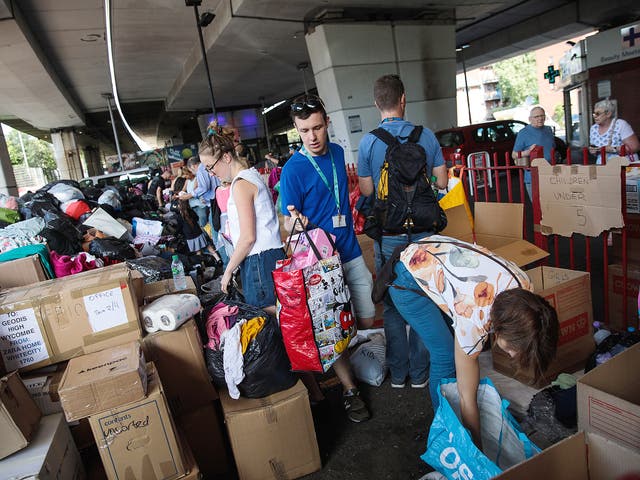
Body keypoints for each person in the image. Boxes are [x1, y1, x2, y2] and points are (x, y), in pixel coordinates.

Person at [380, 235, 559, 446]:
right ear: (499, 331)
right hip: (407, 279)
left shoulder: (524, 287)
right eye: (513, 351)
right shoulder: (474, 317)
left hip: (433, 253)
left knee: (457, 355)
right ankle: (446, 429)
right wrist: (475, 447)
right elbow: (468, 398)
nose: (512, 355)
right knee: (445, 355)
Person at [280, 93, 375, 423]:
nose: (312, 137)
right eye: (304, 130)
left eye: (317, 128)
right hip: (321, 266)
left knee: (365, 317)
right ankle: (350, 390)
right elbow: (285, 220)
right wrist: (296, 221)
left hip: (350, 251)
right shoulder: (292, 170)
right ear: (296, 129)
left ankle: (353, 359)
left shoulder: (336, 152)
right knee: (334, 332)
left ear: (327, 123)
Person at [358, 74, 448, 390]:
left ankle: (399, 374)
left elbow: (367, 190)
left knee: (393, 304)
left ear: (376, 103)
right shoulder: (427, 137)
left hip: (390, 235)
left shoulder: (369, 141)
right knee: (426, 301)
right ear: (403, 99)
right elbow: (441, 183)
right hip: (425, 235)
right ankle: (422, 373)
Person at [199, 122, 284, 314]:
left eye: (210, 167)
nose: (211, 173)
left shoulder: (241, 185)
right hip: (266, 257)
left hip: (259, 261)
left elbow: (248, 238)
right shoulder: (251, 175)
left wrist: (228, 271)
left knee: (269, 323)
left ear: (227, 157)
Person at [512, 106, 556, 200]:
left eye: (542, 116)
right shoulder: (523, 133)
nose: (540, 118)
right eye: (536, 117)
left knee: (552, 206)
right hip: (533, 177)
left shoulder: (548, 130)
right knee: (538, 208)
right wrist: (528, 152)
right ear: (530, 119)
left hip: (550, 175)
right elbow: (514, 155)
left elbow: (552, 148)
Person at [589, 99, 640, 163]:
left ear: (608, 114)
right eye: (594, 114)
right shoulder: (593, 128)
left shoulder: (621, 125)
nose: (595, 116)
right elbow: (594, 148)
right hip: (603, 168)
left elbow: (635, 147)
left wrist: (613, 149)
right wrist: (593, 151)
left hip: (623, 166)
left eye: (598, 114)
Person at [181, 156, 220, 230]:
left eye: (191, 171)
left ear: (193, 166)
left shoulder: (201, 170)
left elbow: (203, 187)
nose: (193, 173)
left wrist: (189, 195)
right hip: (216, 199)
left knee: (214, 228)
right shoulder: (205, 167)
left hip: (214, 201)